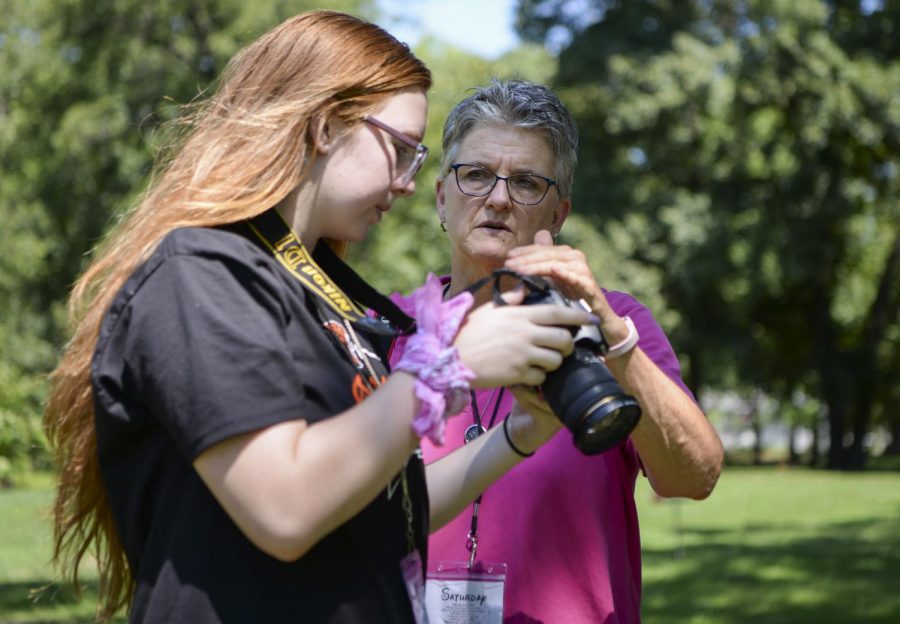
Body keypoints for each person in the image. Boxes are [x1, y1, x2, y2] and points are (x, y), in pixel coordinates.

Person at [42, 16, 599, 623]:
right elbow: (284, 507)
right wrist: (449, 366)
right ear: (325, 126)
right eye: (402, 150)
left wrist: (520, 434)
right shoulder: (199, 273)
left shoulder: (320, 296)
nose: (409, 184)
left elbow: (385, 511)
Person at [401, 79, 725, 623]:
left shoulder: (615, 321)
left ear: (558, 213)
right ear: (441, 195)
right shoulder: (388, 329)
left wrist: (608, 334)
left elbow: (693, 477)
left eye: (526, 182)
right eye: (476, 174)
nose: (498, 198)